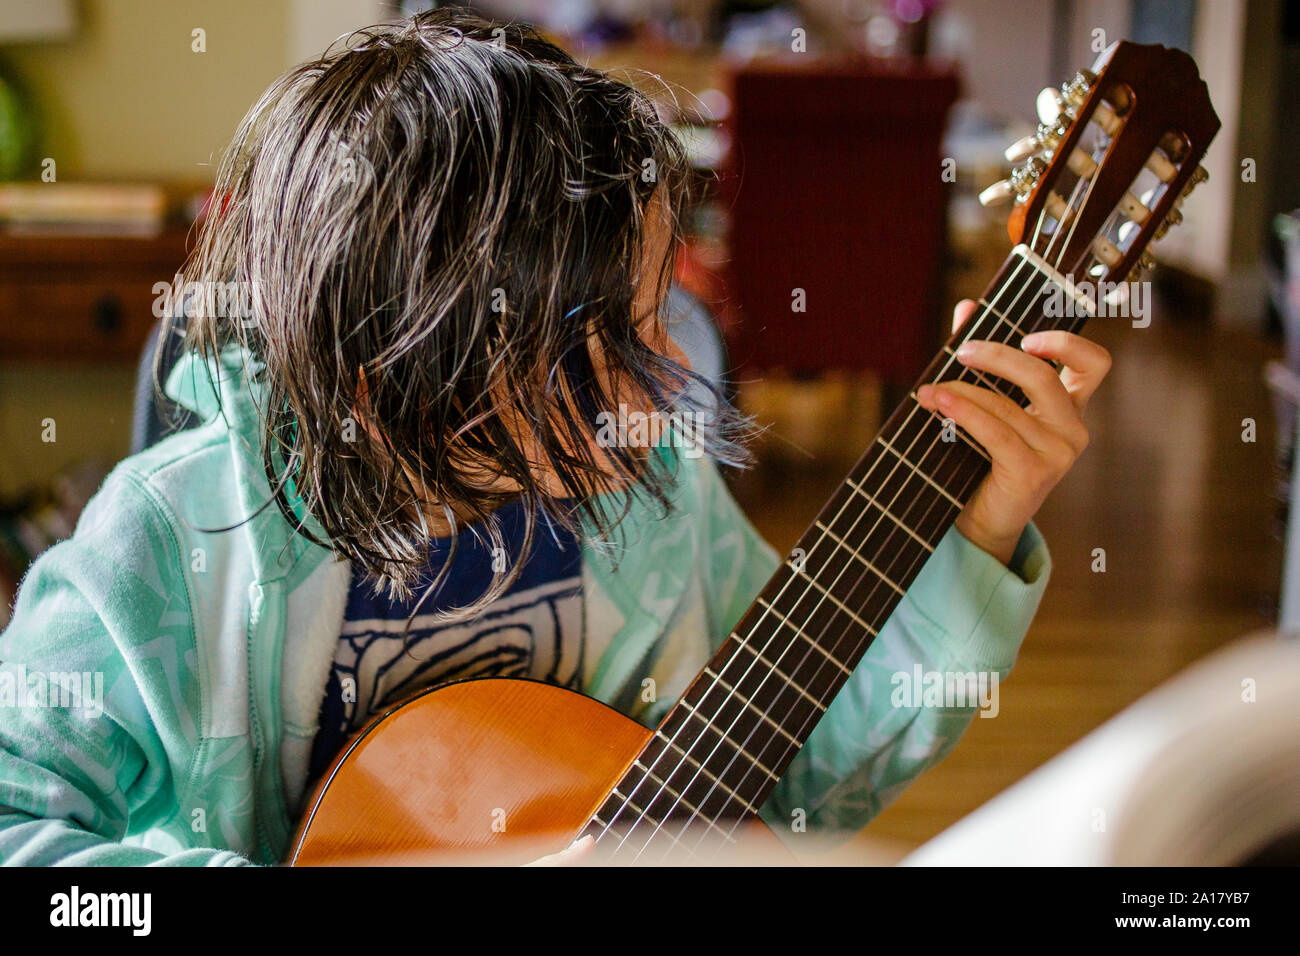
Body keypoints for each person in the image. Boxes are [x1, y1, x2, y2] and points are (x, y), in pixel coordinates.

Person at [0, 8, 1109, 866]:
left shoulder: (659, 501)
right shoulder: (159, 551)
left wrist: (974, 529)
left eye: (656, 322)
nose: (670, 383)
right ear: (395, 372)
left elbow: (784, 774)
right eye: (610, 348)